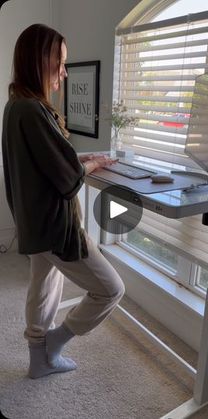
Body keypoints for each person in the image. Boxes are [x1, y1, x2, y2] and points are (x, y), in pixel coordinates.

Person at [1, 23, 125, 379]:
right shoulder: (32, 111)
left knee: (44, 286)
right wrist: (88, 165)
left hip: (35, 222)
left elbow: (47, 164)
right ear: (41, 60)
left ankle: (38, 357)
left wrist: (85, 162)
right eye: (61, 62)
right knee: (111, 289)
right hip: (56, 226)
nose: (64, 72)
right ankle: (55, 342)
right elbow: (67, 180)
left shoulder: (17, 106)